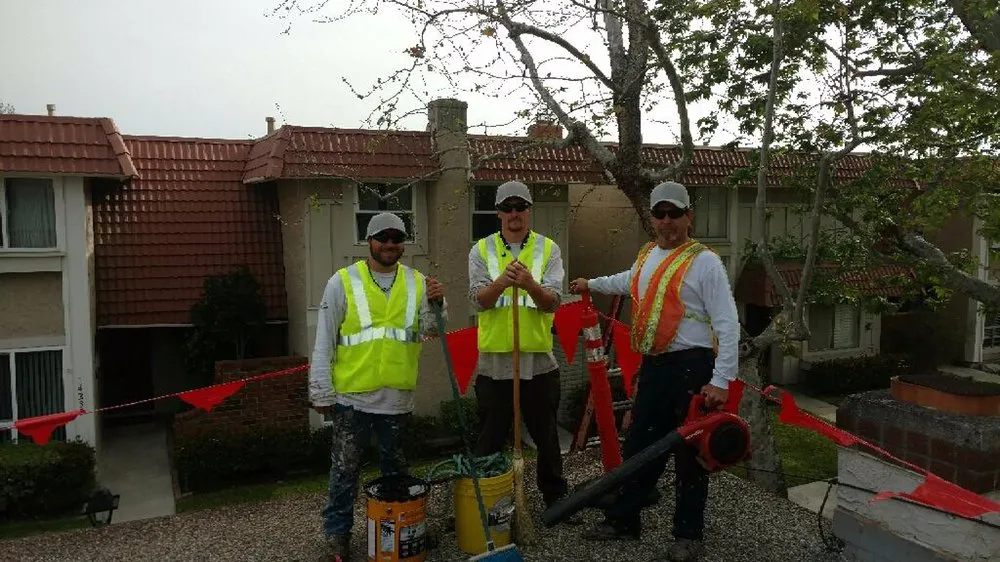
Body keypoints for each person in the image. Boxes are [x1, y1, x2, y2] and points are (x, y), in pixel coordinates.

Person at [570, 181, 739, 562]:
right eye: (660, 214)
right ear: (652, 218)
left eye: (674, 213)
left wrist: (721, 380)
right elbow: (629, 280)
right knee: (640, 446)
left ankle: (688, 536)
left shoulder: (705, 262)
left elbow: (728, 323)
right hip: (655, 367)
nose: (667, 221)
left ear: (688, 216)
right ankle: (624, 521)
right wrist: (590, 284)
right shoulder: (648, 255)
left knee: (690, 455)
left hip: (693, 369)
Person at [309, 212, 446, 562]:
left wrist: (438, 304)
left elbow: (432, 331)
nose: (390, 244)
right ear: (368, 241)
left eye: (397, 238)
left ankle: (401, 528)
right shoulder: (342, 282)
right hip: (352, 399)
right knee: (344, 472)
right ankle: (337, 535)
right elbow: (324, 339)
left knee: (396, 473)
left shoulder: (417, 282)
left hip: (397, 400)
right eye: (382, 237)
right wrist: (321, 389)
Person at [467, 180, 573, 513]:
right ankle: (482, 502)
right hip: (495, 360)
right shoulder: (481, 250)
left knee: (547, 435)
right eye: (508, 208)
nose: (514, 214)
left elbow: (553, 302)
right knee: (490, 435)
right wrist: (502, 282)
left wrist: (529, 284)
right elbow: (479, 301)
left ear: (529, 210)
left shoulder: (548, 249)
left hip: (538, 358)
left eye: (520, 207)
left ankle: (555, 498)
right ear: (498, 212)